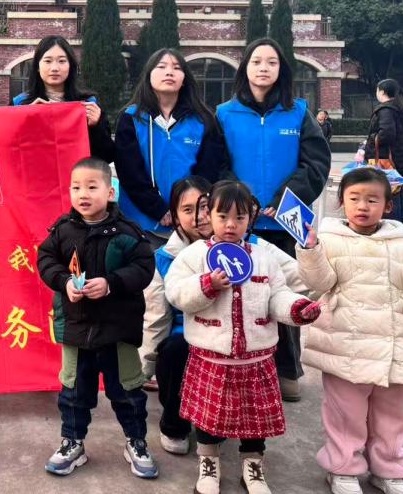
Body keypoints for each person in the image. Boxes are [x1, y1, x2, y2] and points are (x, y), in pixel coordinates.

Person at [297, 167, 403, 494]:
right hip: (345, 344)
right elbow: (319, 282)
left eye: (372, 200)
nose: (363, 206)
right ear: (341, 202)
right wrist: (310, 252)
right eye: (354, 198)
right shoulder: (328, 241)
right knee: (345, 413)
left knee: (393, 413)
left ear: (388, 206)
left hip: (394, 345)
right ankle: (343, 467)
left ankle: (389, 468)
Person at [165, 180, 321, 494]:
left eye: (239, 217)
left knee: (255, 419)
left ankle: (253, 464)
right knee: (209, 417)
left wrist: (296, 309)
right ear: (209, 215)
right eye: (223, 216)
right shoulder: (194, 256)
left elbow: (278, 295)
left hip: (257, 357)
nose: (230, 225)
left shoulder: (264, 257)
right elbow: (176, 292)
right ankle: (208, 462)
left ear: (251, 218)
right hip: (211, 355)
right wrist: (206, 285)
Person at [216, 37, 330, 402]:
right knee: (240, 298)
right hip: (240, 224)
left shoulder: (298, 112)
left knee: (285, 295)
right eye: (256, 61)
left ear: (282, 70)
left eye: (271, 62)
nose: (263, 68)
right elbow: (216, 163)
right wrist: (241, 200)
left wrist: (283, 199)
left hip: (284, 224)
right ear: (245, 68)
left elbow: (316, 163)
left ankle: (287, 370)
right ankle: (241, 371)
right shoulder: (224, 114)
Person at [36, 157, 158, 480]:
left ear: (110, 192)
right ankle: (72, 443)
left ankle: (136, 442)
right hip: (76, 329)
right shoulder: (62, 229)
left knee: (128, 391)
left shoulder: (128, 232)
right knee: (73, 392)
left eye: (92, 187)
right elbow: (45, 259)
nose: (83, 194)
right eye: (76, 187)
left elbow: (144, 268)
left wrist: (111, 283)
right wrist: (64, 282)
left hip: (118, 330)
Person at [115, 48, 227, 240]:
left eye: (176, 67)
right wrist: (159, 209)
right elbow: (129, 172)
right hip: (140, 225)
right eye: (161, 67)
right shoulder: (131, 118)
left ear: (184, 78)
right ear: (149, 75)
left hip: (192, 225)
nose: (169, 72)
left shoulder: (203, 120)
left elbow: (209, 171)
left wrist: (189, 210)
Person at [140, 176, 212, 456]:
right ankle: (174, 424)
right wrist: (142, 370)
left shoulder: (241, 247)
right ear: (175, 216)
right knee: (173, 349)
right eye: (187, 209)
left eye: (204, 206)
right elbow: (155, 319)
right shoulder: (163, 258)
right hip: (185, 334)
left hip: (228, 332)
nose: (199, 217)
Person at [12, 35, 113, 162]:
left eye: (62, 61)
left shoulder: (88, 104)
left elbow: (107, 157)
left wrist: (96, 127)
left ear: (70, 65)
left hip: (76, 174)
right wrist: (25, 121)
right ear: (37, 66)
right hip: (35, 172)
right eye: (48, 61)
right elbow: (7, 151)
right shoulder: (20, 104)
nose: (55, 68)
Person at [363, 79, 403, 223]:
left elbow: (387, 133)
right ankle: (398, 223)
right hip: (397, 158)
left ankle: (391, 224)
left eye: (377, 90)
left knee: (387, 191)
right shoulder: (398, 108)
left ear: (382, 91)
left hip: (385, 160)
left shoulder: (386, 110)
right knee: (396, 189)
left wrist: (371, 139)